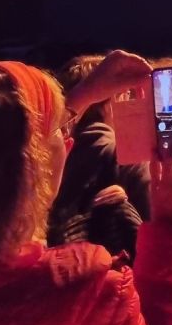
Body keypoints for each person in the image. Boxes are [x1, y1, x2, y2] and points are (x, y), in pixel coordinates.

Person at [0, 52, 172, 325]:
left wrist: (81, 95)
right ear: (36, 167)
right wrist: (171, 223)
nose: (69, 140)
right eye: (58, 131)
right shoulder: (86, 288)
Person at [48, 53, 152, 260]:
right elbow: (155, 219)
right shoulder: (118, 151)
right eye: (124, 95)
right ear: (112, 97)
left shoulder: (46, 150)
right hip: (110, 274)